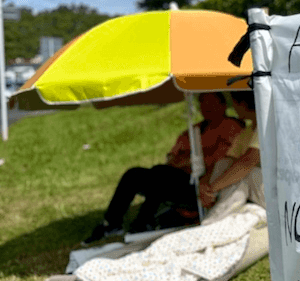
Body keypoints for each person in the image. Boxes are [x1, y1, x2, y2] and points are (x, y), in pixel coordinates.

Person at [83, 92, 243, 245]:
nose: (206, 107)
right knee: (135, 174)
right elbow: (172, 157)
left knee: (161, 175)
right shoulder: (193, 130)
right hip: (176, 177)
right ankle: (111, 223)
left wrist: (184, 161)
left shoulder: (230, 127)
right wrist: (185, 161)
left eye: (211, 103)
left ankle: (142, 223)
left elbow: (219, 159)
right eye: (202, 103)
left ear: (222, 105)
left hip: (202, 183)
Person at [198, 91, 264, 223]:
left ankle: (212, 221)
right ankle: (217, 214)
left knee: (244, 173)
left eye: (234, 103)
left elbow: (246, 164)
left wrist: (212, 189)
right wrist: (205, 184)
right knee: (225, 165)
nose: (233, 108)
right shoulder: (246, 133)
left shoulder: (266, 127)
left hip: (280, 192)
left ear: (243, 104)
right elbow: (224, 162)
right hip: (259, 190)